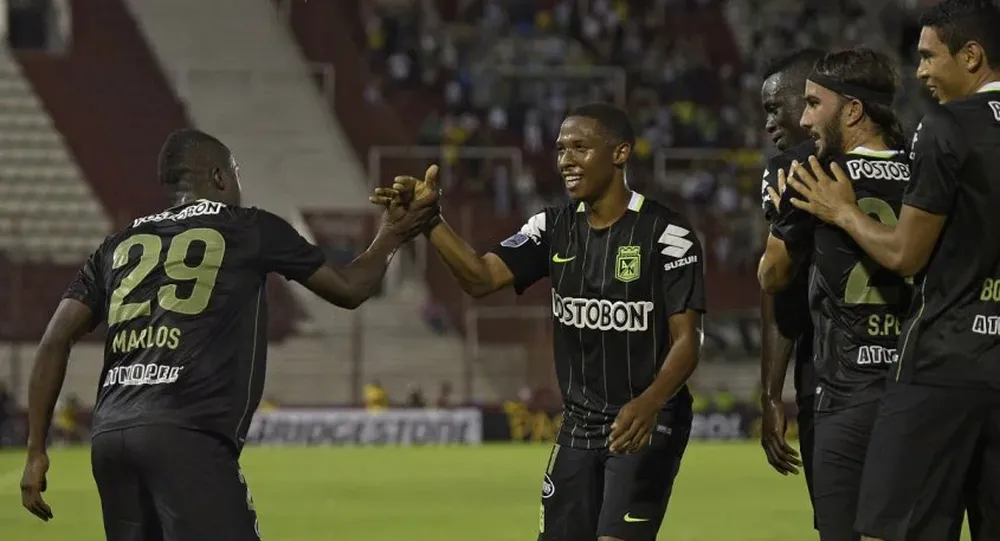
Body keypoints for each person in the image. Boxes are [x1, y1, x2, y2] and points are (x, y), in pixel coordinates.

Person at [19, 128, 438, 540]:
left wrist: (37, 448)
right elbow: (350, 289)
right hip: (187, 434)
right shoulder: (249, 227)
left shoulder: (115, 245)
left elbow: (55, 340)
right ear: (219, 177)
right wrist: (394, 233)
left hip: (110, 439)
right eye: (235, 173)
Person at [372, 102, 705, 541]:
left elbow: (689, 340)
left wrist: (650, 402)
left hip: (644, 420)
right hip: (579, 425)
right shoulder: (551, 228)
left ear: (620, 153)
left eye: (581, 148)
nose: (566, 159)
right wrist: (429, 221)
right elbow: (481, 277)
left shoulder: (667, 234)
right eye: (561, 149)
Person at [784, 1, 1000, 539]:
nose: (921, 71)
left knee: (888, 529)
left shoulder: (947, 125)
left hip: (943, 359)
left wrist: (843, 212)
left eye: (929, 57)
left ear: (972, 56)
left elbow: (906, 254)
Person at [759, 47, 911, 541]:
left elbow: (772, 276)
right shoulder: (926, 168)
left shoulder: (812, 173)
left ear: (852, 110)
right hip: (919, 384)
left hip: (845, 389)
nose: (803, 120)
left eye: (812, 105)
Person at [756, 48, 826, 517]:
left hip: (830, 377)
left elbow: (776, 281)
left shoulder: (790, 171)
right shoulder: (906, 159)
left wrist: (770, 395)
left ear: (809, 101)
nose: (768, 124)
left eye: (774, 108)